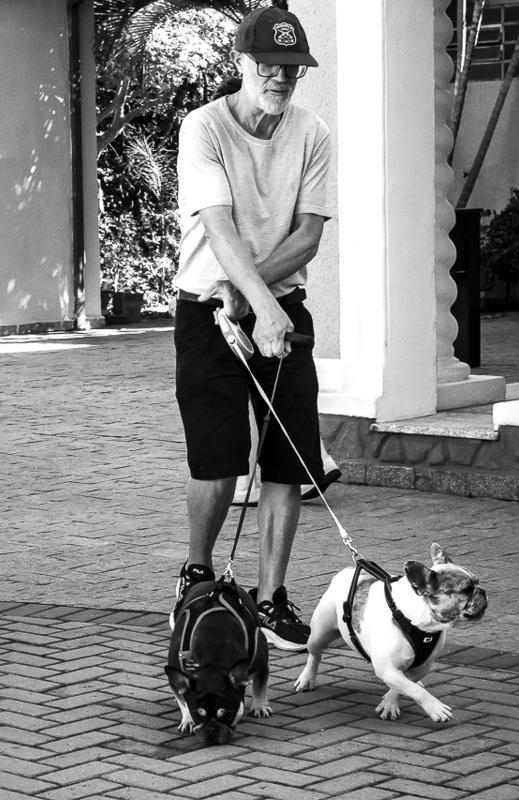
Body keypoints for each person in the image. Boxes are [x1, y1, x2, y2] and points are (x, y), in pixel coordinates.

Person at [170, 0, 334, 652]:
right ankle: (196, 572)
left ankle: (270, 598)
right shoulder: (203, 128)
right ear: (241, 61)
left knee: (287, 461)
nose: (280, 77)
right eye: (269, 64)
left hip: (271, 300)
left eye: (292, 67)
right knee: (218, 463)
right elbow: (216, 224)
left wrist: (258, 296)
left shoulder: (312, 133)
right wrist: (250, 302)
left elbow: (310, 234)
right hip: (207, 307)